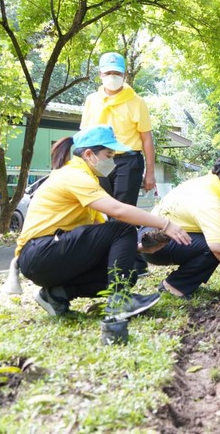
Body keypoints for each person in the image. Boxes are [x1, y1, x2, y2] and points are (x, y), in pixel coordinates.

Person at [15, 125, 192, 318]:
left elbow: (101, 236)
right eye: (109, 155)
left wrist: (139, 248)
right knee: (123, 228)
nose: (112, 162)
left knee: (128, 272)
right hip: (39, 253)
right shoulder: (74, 175)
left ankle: (56, 295)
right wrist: (165, 224)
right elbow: (119, 211)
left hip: (46, 257)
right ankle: (119, 302)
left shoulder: (87, 178)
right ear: (89, 154)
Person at [137, 153, 220, 299]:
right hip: (156, 243)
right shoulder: (209, 198)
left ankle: (180, 283)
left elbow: (214, 219)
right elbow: (219, 248)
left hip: (152, 233)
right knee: (218, 243)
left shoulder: (207, 184)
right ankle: (174, 286)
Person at [81, 51, 156, 275]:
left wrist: (150, 173)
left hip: (128, 160)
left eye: (116, 73)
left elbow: (146, 138)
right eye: (108, 73)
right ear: (100, 74)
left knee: (123, 210)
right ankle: (127, 259)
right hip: (100, 160)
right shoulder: (92, 100)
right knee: (106, 210)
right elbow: (84, 134)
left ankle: (132, 264)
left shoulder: (136, 101)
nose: (112, 77)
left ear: (125, 75)